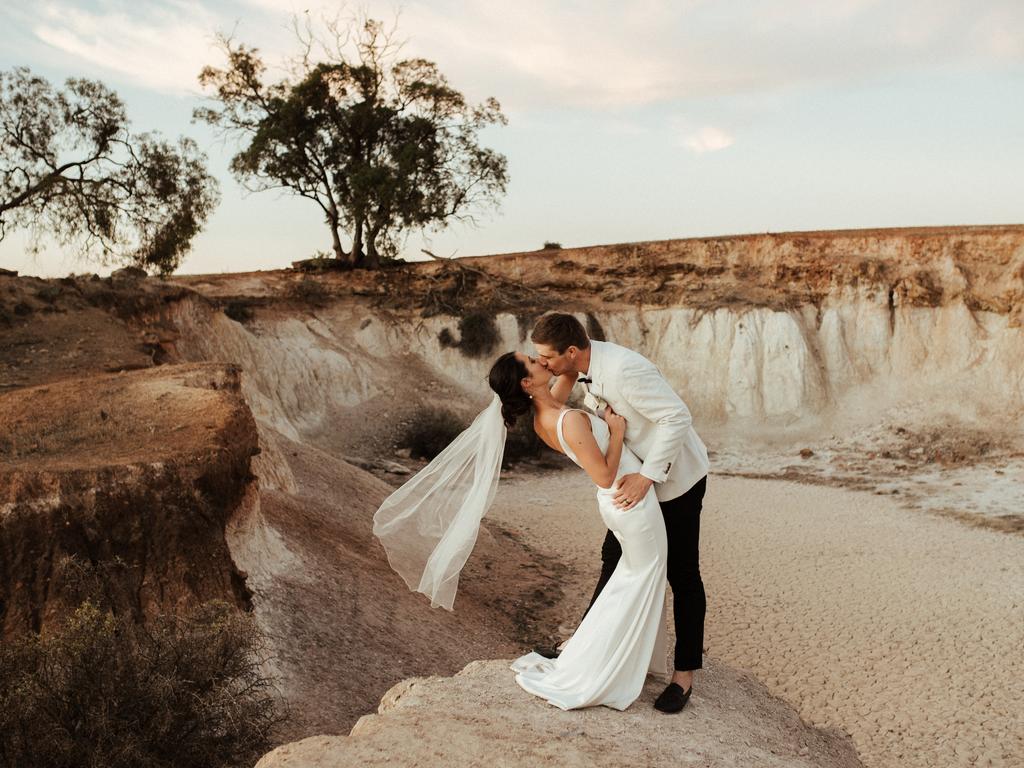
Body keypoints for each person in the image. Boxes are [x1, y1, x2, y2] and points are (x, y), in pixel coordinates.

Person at [373, 350, 670, 711]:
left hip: (620, 506)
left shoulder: (546, 417)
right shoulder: (569, 419)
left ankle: (629, 660)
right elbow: (605, 476)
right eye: (533, 360)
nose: (542, 361)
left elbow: (568, 375)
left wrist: (564, 356)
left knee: (635, 577)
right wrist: (618, 432)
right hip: (627, 499)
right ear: (527, 383)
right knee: (643, 576)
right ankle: (607, 665)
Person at [530, 313, 710, 714]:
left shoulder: (626, 370)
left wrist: (647, 477)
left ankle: (684, 677)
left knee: (682, 574)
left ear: (571, 351)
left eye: (546, 357)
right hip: (635, 482)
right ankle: (585, 646)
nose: (542, 363)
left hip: (674, 479)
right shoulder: (583, 369)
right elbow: (554, 400)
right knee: (612, 559)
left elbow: (677, 417)